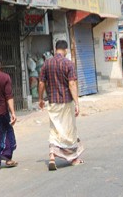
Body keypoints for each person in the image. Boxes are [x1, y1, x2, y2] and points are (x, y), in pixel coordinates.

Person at [37, 39, 84, 170]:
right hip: (66, 102)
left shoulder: (47, 64)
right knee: (69, 130)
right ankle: (73, 158)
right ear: (66, 50)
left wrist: (40, 99)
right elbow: (72, 84)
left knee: (54, 129)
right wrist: (77, 102)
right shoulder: (68, 64)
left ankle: (52, 155)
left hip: (52, 102)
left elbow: (41, 83)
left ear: (55, 49)